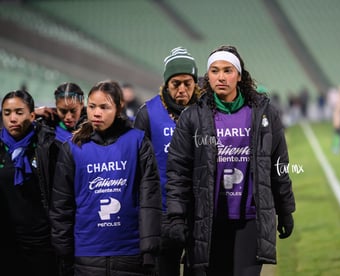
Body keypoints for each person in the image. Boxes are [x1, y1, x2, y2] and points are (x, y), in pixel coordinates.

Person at [166, 45, 296, 276]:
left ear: (239, 75)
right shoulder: (192, 117)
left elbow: (279, 167)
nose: (221, 77)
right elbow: (178, 172)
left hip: (249, 219)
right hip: (208, 220)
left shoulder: (264, 114)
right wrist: (176, 217)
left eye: (227, 70)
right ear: (208, 77)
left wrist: (285, 209)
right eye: (215, 71)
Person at [49, 80, 162, 276]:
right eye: (92, 106)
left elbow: (149, 200)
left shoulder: (138, 141)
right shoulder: (72, 147)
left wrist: (149, 250)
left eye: (104, 107)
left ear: (119, 107)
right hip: (87, 254)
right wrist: (64, 252)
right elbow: (61, 206)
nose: (97, 113)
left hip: (130, 253)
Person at [134, 46, 201, 276]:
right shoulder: (148, 113)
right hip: (162, 214)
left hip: (199, 212)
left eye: (188, 83)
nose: (182, 89)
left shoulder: (205, 111)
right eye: (175, 84)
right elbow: (137, 168)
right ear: (166, 83)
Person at [0, 90, 59, 275]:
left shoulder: (47, 146)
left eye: (19, 112)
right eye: (7, 113)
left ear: (32, 115)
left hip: (42, 244)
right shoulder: (1, 148)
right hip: (7, 244)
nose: (12, 119)